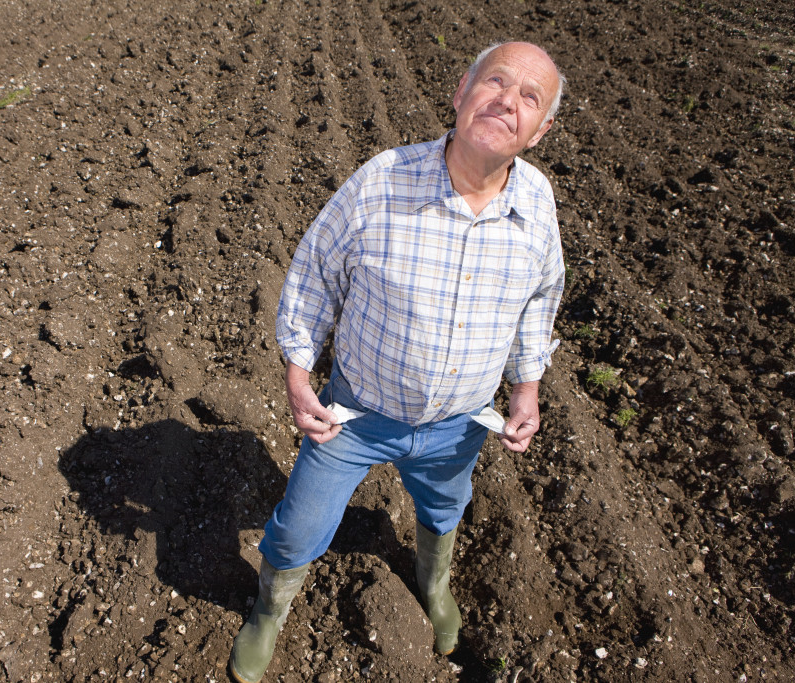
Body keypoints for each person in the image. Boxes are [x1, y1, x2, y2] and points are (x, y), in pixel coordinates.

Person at [229, 41, 567, 683]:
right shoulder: (383, 180)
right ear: (462, 92)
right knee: (299, 528)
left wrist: (527, 388)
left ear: (541, 130)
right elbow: (314, 275)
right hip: (354, 415)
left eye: (530, 98)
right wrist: (299, 374)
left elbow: (540, 298)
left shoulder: (538, 203)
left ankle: (433, 580)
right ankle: (268, 610)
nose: (507, 101)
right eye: (496, 82)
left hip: (460, 424)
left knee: (444, 509)